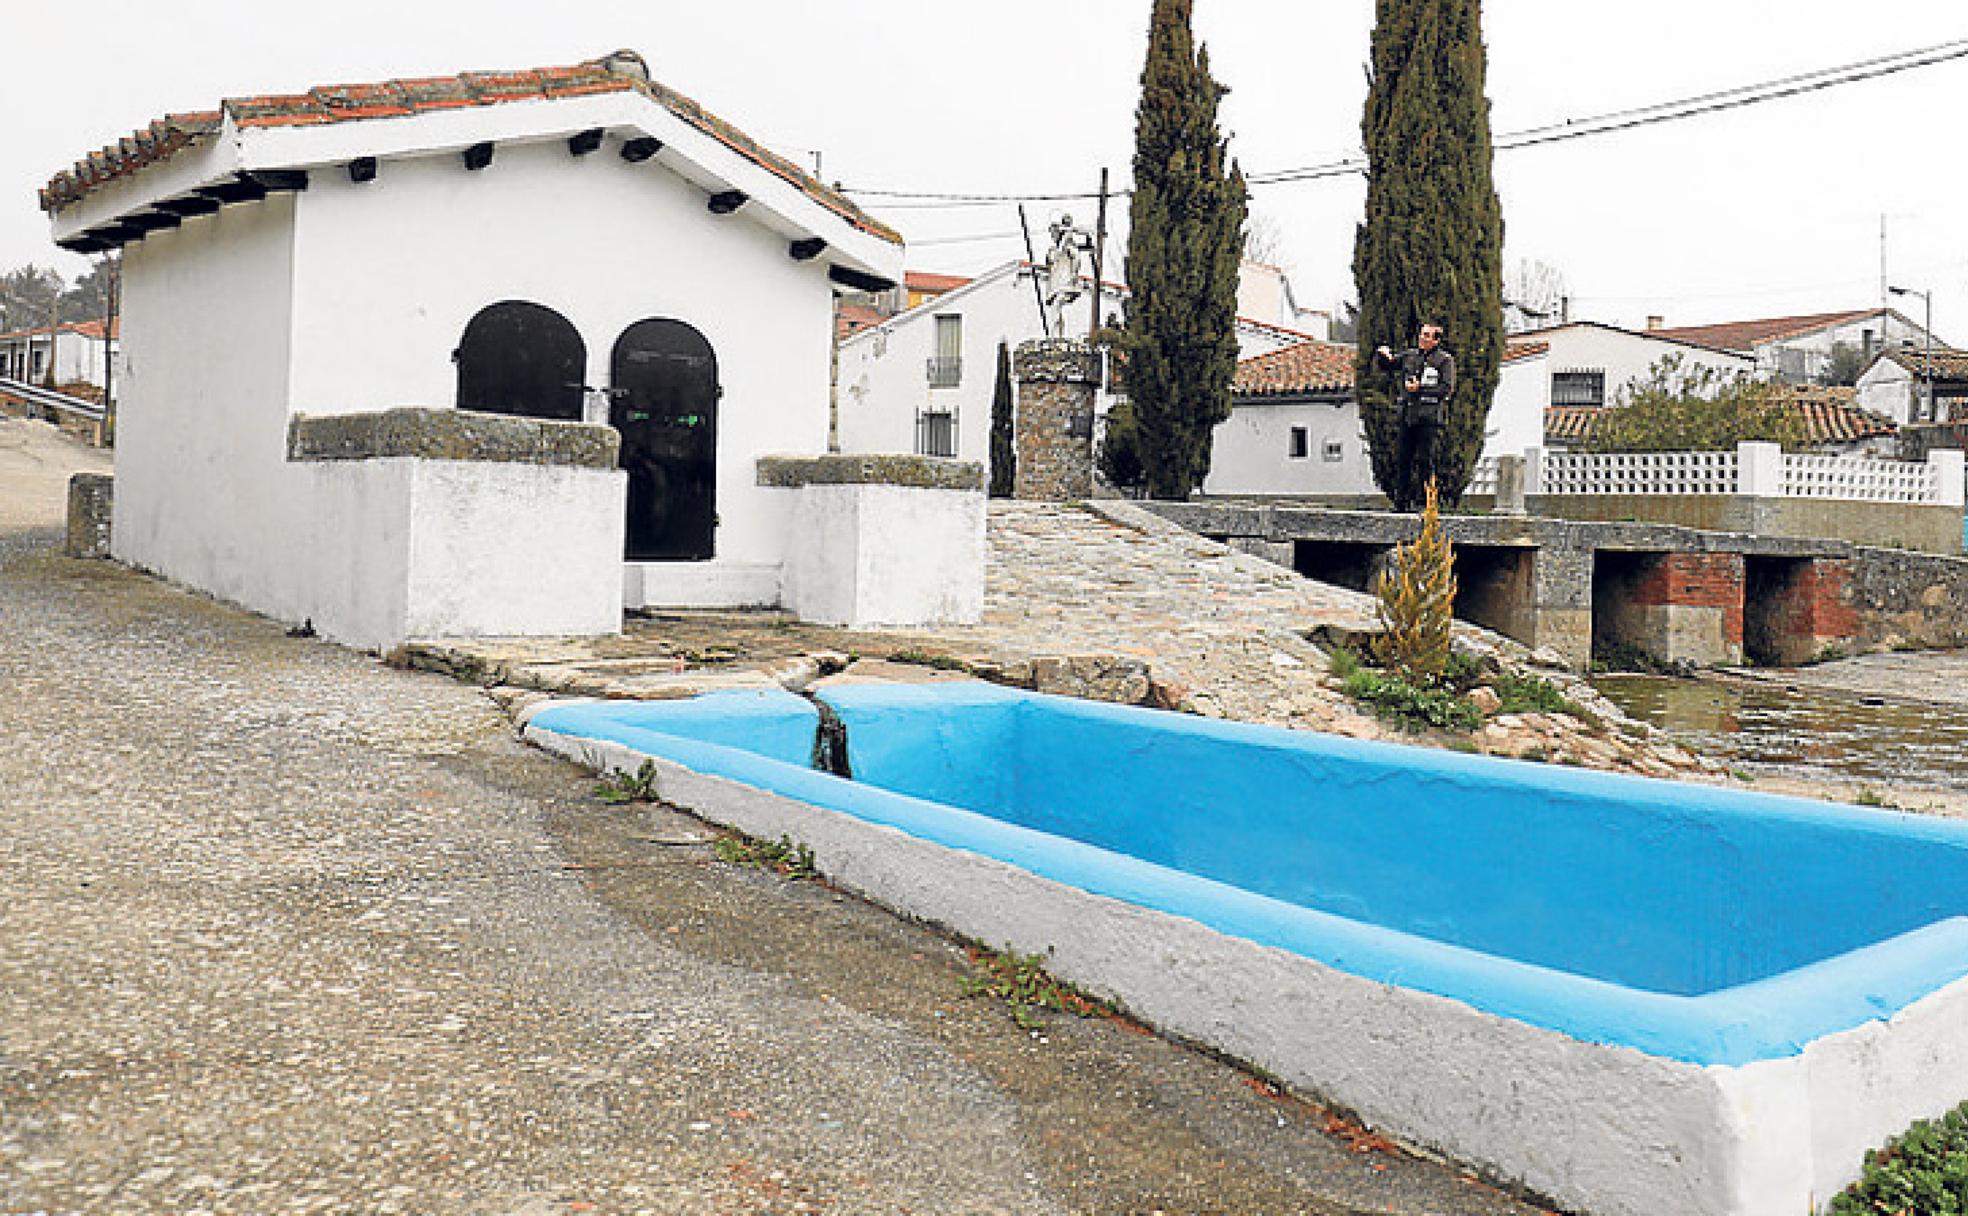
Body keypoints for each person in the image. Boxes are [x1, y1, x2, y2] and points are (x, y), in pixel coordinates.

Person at [1374, 322, 1455, 509]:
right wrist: (1382, 355)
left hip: (1428, 417)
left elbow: (1446, 389)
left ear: (1436, 340)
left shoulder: (1444, 360)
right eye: (1421, 334)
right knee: (1403, 459)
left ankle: (1428, 504)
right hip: (1408, 415)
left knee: (1425, 460)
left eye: (1427, 335)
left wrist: (1421, 389)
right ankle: (1401, 502)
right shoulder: (1410, 356)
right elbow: (1390, 366)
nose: (1422, 338)